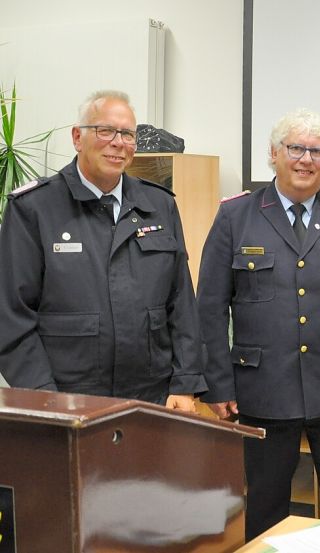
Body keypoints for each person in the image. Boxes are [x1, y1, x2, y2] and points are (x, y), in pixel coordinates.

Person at [197, 108, 320, 539]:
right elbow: (209, 308)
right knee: (265, 506)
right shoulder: (236, 215)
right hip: (262, 387)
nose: (306, 159)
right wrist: (217, 384)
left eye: (317, 151)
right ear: (273, 153)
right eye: (296, 148)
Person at [0, 90, 205, 409]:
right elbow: (11, 314)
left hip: (152, 397)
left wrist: (185, 383)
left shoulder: (159, 205)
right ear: (77, 137)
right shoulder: (35, 209)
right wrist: (42, 395)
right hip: (68, 399)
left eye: (127, 134)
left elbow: (181, 303)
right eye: (105, 130)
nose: (118, 142)